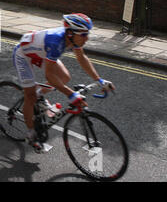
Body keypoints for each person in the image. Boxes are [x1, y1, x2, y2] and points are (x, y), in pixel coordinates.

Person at [12, 13, 115, 153]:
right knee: (30, 96)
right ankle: (31, 133)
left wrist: (99, 80)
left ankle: (39, 95)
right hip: (23, 55)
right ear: (71, 33)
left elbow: (82, 58)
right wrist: (71, 94)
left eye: (87, 34)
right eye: (84, 34)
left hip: (42, 53)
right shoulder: (56, 42)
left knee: (65, 77)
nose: (87, 38)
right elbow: (49, 74)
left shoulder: (73, 40)